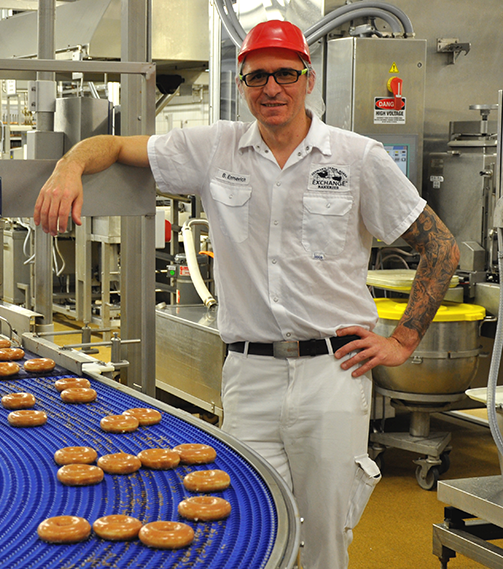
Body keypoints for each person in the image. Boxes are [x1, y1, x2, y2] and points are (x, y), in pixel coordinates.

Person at [33, 19, 459, 569]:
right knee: (249, 529)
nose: (272, 89)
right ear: (242, 85)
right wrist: (68, 167)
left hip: (331, 375)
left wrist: (402, 341)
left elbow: (441, 247)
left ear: (308, 79)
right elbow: (111, 143)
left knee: (327, 537)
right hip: (248, 376)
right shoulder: (215, 149)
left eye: (285, 74)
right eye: (258, 78)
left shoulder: (358, 158)